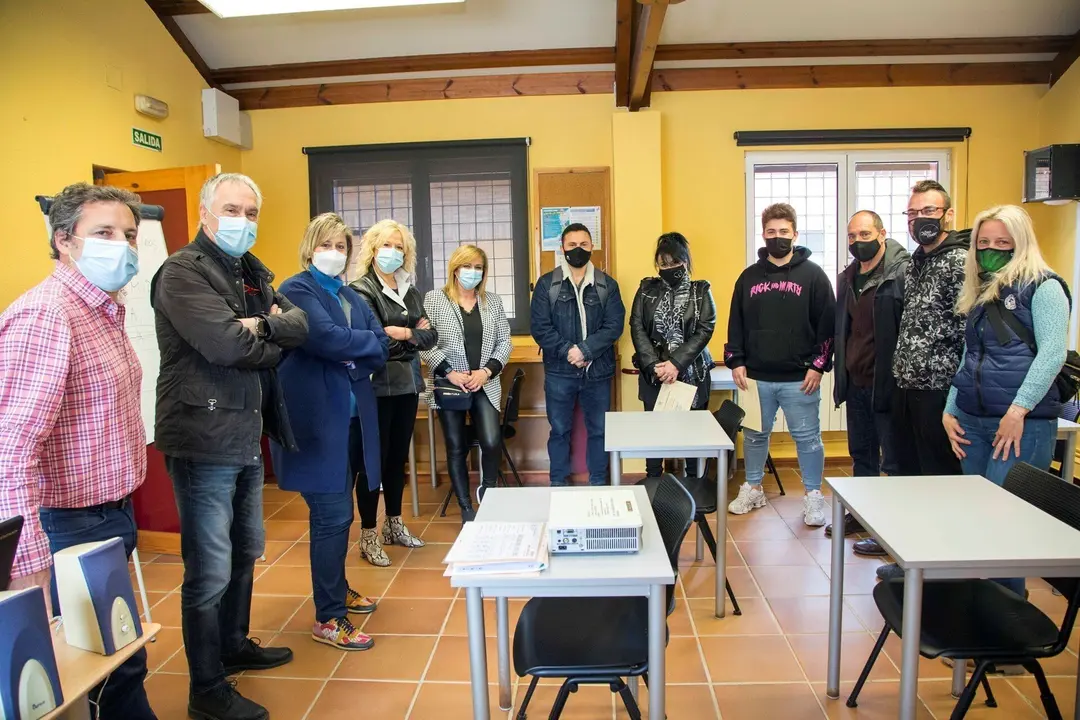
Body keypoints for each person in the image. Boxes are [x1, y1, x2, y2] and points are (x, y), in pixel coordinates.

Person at [152, 173, 308, 720]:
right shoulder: (180, 272)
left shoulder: (250, 270)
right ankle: (206, 688)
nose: (242, 219)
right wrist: (267, 336)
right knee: (210, 568)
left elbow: (300, 325)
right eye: (231, 208)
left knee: (245, 551)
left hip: (243, 433)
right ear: (204, 213)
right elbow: (223, 344)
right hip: (201, 437)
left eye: (250, 210)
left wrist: (258, 329)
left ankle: (234, 644)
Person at [0, 183, 156, 719]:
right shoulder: (48, 315)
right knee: (102, 669)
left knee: (118, 655)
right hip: (68, 525)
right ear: (64, 241)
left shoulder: (102, 309)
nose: (122, 245)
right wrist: (28, 563)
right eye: (104, 233)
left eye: (129, 234)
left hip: (109, 513)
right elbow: (12, 447)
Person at [271, 213, 389, 651]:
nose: (336, 253)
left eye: (342, 246)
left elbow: (378, 344)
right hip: (319, 424)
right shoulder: (296, 289)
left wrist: (353, 348)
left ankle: (336, 589)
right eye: (328, 244)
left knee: (343, 512)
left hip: (355, 420)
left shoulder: (351, 295)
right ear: (310, 247)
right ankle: (328, 617)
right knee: (331, 514)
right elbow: (324, 339)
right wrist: (353, 347)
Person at [944, 205, 1069, 598]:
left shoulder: (1045, 287)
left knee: (1007, 521)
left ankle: (1008, 623)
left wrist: (1018, 411)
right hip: (973, 422)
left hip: (1020, 425)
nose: (991, 250)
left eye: (1002, 243)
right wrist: (951, 408)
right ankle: (982, 611)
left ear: (1021, 243)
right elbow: (969, 356)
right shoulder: (982, 290)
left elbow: (1052, 354)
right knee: (980, 518)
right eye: (983, 243)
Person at [878, 179, 969, 581]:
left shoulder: (962, 261)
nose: (920, 220)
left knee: (938, 478)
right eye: (912, 214)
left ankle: (941, 564)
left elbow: (970, 331)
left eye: (928, 212)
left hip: (940, 389)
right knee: (907, 474)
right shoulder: (915, 261)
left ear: (948, 214)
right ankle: (912, 559)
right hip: (907, 383)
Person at [725, 203, 836, 526]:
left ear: (795, 234)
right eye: (771, 232)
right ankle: (754, 487)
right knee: (756, 435)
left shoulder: (813, 275)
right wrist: (737, 361)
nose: (778, 238)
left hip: (800, 377)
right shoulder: (749, 277)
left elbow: (827, 324)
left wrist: (818, 365)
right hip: (756, 376)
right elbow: (737, 322)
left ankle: (814, 497)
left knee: (808, 438)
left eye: (784, 232)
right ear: (763, 235)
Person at [351, 219, 437, 564]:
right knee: (373, 462)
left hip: (406, 385)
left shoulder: (410, 289)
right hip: (374, 387)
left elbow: (430, 337)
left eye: (400, 246)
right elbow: (375, 343)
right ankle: (369, 534)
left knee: (398, 458)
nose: (394, 252)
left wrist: (400, 334)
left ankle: (394, 524)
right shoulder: (361, 290)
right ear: (373, 248)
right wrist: (408, 334)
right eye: (387, 244)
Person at [828, 211, 909, 556]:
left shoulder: (901, 273)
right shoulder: (847, 278)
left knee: (893, 459)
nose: (857, 242)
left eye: (864, 234)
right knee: (861, 453)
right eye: (851, 236)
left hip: (887, 383)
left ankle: (891, 530)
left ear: (881, 233)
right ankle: (862, 515)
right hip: (856, 380)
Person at [420, 244, 512, 522]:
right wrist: (449, 371)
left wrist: (487, 371)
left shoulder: (492, 301)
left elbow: (504, 341)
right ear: (455, 269)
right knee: (456, 447)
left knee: (492, 440)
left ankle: (490, 491)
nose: (473, 272)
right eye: (467, 266)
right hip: (450, 385)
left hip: (484, 382)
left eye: (479, 267)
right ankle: (465, 507)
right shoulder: (435, 300)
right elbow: (424, 343)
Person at [530, 223, 625, 486]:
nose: (578, 250)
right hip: (560, 372)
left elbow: (613, 326)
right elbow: (540, 327)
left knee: (599, 431)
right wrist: (568, 352)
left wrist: (585, 350)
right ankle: (558, 483)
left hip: (598, 372)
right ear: (562, 248)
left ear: (591, 246)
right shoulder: (547, 284)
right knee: (559, 431)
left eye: (583, 244)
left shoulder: (608, 285)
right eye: (572, 245)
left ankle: (598, 482)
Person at [630, 232, 716, 476]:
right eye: (663, 264)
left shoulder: (701, 291)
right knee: (654, 433)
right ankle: (654, 482)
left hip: (692, 373)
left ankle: (693, 488)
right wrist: (654, 364)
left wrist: (676, 364)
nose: (669, 268)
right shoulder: (646, 289)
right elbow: (637, 325)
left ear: (685, 262)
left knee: (691, 435)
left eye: (674, 263)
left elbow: (705, 329)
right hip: (654, 374)